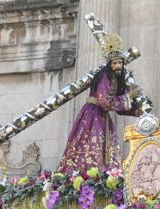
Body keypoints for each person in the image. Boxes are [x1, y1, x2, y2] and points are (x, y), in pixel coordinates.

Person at [56, 39, 142, 174]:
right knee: (91, 146)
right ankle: (85, 176)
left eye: (120, 62)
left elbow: (118, 106)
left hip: (103, 116)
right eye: (115, 63)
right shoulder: (104, 77)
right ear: (109, 65)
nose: (118, 65)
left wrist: (135, 110)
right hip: (92, 114)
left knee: (108, 149)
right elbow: (105, 102)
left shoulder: (116, 79)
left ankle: (106, 175)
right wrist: (128, 97)